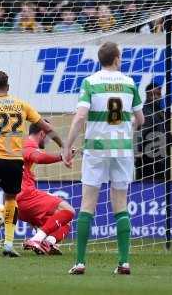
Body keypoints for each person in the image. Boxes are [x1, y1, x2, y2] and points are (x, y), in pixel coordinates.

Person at [62, 42, 145, 275]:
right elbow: (141, 119)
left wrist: (68, 146)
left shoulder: (90, 82)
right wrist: (126, 126)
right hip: (123, 149)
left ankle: (79, 262)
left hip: (96, 149)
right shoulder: (129, 83)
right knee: (120, 203)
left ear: (100, 60)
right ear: (117, 59)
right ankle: (124, 262)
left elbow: (80, 117)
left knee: (88, 203)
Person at [0, 71, 63, 257]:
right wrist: (63, 147)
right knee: (10, 200)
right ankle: (8, 244)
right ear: (8, 87)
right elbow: (47, 128)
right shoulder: (21, 105)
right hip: (16, 162)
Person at [18, 121, 75, 255]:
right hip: (27, 197)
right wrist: (62, 156)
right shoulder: (28, 144)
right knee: (69, 210)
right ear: (42, 133)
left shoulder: (22, 145)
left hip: (21, 203)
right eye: (48, 137)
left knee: (65, 221)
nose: (49, 141)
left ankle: (48, 242)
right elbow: (37, 157)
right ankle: (36, 239)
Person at [135, 82, 172, 180]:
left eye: (158, 94)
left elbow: (167, 136)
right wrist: (138, 154)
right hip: (147, 162)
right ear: (148, 95)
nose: (157, 97)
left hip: (161, 160)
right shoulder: (144, 112)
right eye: (154, 94)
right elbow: (139, 134)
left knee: (162, 191)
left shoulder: (161, 113)